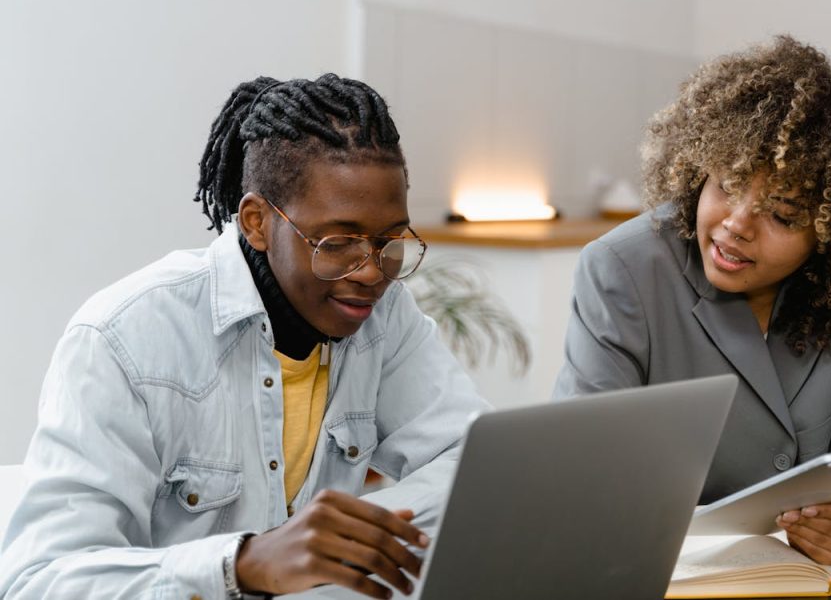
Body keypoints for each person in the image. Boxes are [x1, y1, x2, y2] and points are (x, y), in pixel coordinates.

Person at [0, 75, 490, 599]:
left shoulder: (383, 316)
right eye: (338, 241)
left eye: (390, 241)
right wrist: (244, 564)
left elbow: (473, 463)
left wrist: (346, 538)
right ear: (257, 222)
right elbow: (39, 582)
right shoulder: (124, 339)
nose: (371, 272)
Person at [554, 37, 831, 566]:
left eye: (782, 214)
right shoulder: (624, 269)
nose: (735, 225)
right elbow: (583, 459)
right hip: (663, 565)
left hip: (805, 575)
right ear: (698, 169)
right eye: (726, 185)